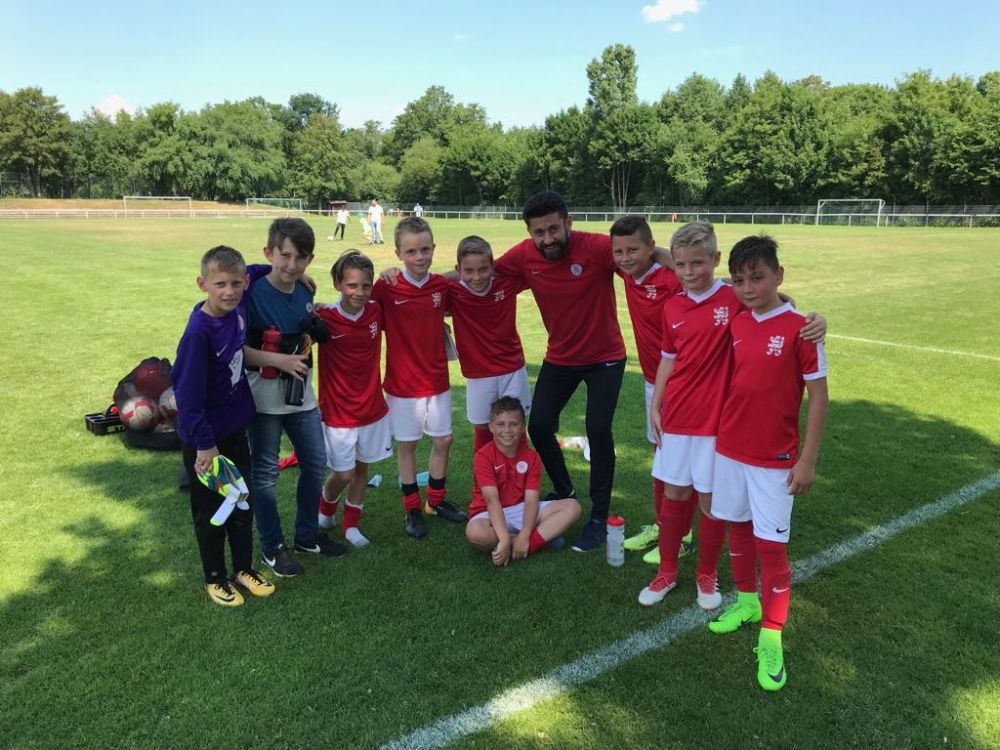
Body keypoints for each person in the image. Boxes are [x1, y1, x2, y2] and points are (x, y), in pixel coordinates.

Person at [638, 222, 825, 611]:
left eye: (697, 264)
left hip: (716, 425)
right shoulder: (672, 306)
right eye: (681, 265)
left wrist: (814, 318)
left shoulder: (732, 297)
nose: (688, 272)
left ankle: (706, 573)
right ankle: (667, 571)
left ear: (715, 260)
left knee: (711, 504)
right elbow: (668, 359)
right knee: (674, 495)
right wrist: (656, 403)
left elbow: (772, 300)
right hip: (676, 417)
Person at [492, 191, 672, 552]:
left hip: (606, 358)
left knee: (598, 428)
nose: (547, 239)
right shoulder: (524, 256)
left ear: (568, 222)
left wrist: (691, 268)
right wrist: (425, 281)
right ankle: (565, 491)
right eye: (539, 232)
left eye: (553, 229)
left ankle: (598, 516)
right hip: (560, 357)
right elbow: (480, 270)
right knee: (539, 426)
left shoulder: (597, 248)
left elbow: (644, 252)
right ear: (529, 233)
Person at [707, 234, 828, 692]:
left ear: (779, 275)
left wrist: (807, 460)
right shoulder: (738, 321)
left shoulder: (802, 329)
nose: (747, 288)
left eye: (757, 278)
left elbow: (819, 397)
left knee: (772, 548)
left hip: (775, 459)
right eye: (739, 281)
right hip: (730, 449)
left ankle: (772, 636)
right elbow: (700, 274)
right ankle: (747, 602)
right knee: (738, 527)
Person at [245, 218, 347, 578]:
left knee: (316, 463)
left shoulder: (305, 289)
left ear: (310, 259)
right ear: (269, 253)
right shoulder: (250, 292)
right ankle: (272, 548)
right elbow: (236, 349)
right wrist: (279, 361)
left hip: (301, 396)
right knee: (265, 475)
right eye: (284, 256)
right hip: (262, 400)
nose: (291, 265)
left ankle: (306, 537)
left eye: (300, 258)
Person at [173, 245, 275, 606]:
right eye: (219, 284)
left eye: (235, 283)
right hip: (205, 441)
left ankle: (243, 568)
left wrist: (283, 269)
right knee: (213, 510)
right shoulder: (198, 334)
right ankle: (215, 577)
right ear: (202, 284)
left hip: (234, 431)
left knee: (242, 502)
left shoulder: (239, 305)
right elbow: (187, 398)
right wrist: (205, 445)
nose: (229, 291)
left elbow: (257, 270)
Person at [371, 217, 466, 538]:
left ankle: (435, 501)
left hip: (437, 379)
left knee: (444, 440)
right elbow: (360, 308)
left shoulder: (440, 286)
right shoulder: (386, 286)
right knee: (408, 445)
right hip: (402, 385)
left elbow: (457, 278)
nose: (419, 257)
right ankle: (411, 508)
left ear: (433, 248)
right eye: (411, 251)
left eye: (425, 249)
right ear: (398, 254)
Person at [609, 215, 695, 565]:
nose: (625, 258)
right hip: (651, 380)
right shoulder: (627, 273)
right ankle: (663, 525)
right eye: (619, 252)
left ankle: (682, 536)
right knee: (661, 458)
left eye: (633, 250)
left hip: (682, 383)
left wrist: (780, 299)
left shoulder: (673, 277)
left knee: (679, 463)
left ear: (650, 247)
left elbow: (712, 288)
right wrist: (639, 253)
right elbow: (623, 255)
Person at [315, 250, 392, 547]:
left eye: (366, 285)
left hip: (371, 407)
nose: (360, 292)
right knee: (344, 472)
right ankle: (326, 508)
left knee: (362, 468)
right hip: (339, 412)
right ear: (338, 284)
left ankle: (351, 525)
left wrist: (393, 271)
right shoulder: (324, 317)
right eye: (352, 285)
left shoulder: (375, 310)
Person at [466, 397, 582, 565]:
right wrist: (504, 538)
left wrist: (525, 535)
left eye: (513, 424)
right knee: (475, 532)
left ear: (522, 427)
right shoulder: (483, 456)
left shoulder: (532, 457)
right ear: (490, 427)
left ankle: (526, 544)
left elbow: (531, 501)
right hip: (488, 513)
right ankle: (538, 539)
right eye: (500, 424)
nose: (507, 430)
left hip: (521, 510)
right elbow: (492, 501)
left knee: (573, 507)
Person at [447, 235, 531, 453]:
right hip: (477, 372)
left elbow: (534, 264)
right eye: (468, 271)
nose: (476, 277)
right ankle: (484, 473)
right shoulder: (451, 290)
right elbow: (421, 288)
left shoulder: (507, 283)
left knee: (516, 423)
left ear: (493, 267)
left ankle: (519, 472)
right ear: (458, 269)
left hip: (512, 367)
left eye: (483, 269)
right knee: (484, 425)